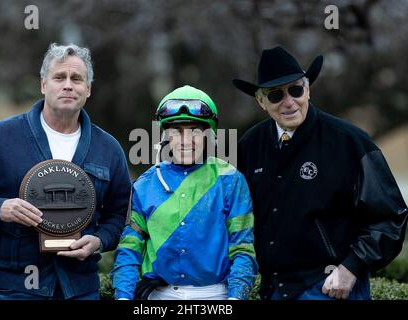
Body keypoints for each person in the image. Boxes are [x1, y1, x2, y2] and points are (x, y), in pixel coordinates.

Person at [233, 46, 408, 300]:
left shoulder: (350, 142)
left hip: (331, 288)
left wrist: (351, 268)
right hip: (273, 291)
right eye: (275, 95)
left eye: (295, 89)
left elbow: (391, 217)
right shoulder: (250, 144)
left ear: (308, 89)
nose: (289, 101)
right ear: (261, 102)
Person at [0, 43, 131, 300]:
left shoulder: (108, 148)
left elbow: (119, 214)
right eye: (59, 77)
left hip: (81, 289)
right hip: (15, 289)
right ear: (43, 84)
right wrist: (0, 207)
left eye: (77, 79)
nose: (68, 85)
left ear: (88, 89)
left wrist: (100, 241)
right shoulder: (1, 137)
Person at [111, 85, 258, 300]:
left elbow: (243, 248)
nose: (185, 140)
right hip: (159, 295)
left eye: (195, 131)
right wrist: (123, 296)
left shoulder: (230, 180)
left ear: (209, 135)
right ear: (165, 136)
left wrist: (236, 297)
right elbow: (129, 249)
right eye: (176, 131)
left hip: (217, 295)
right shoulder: (145, 184)